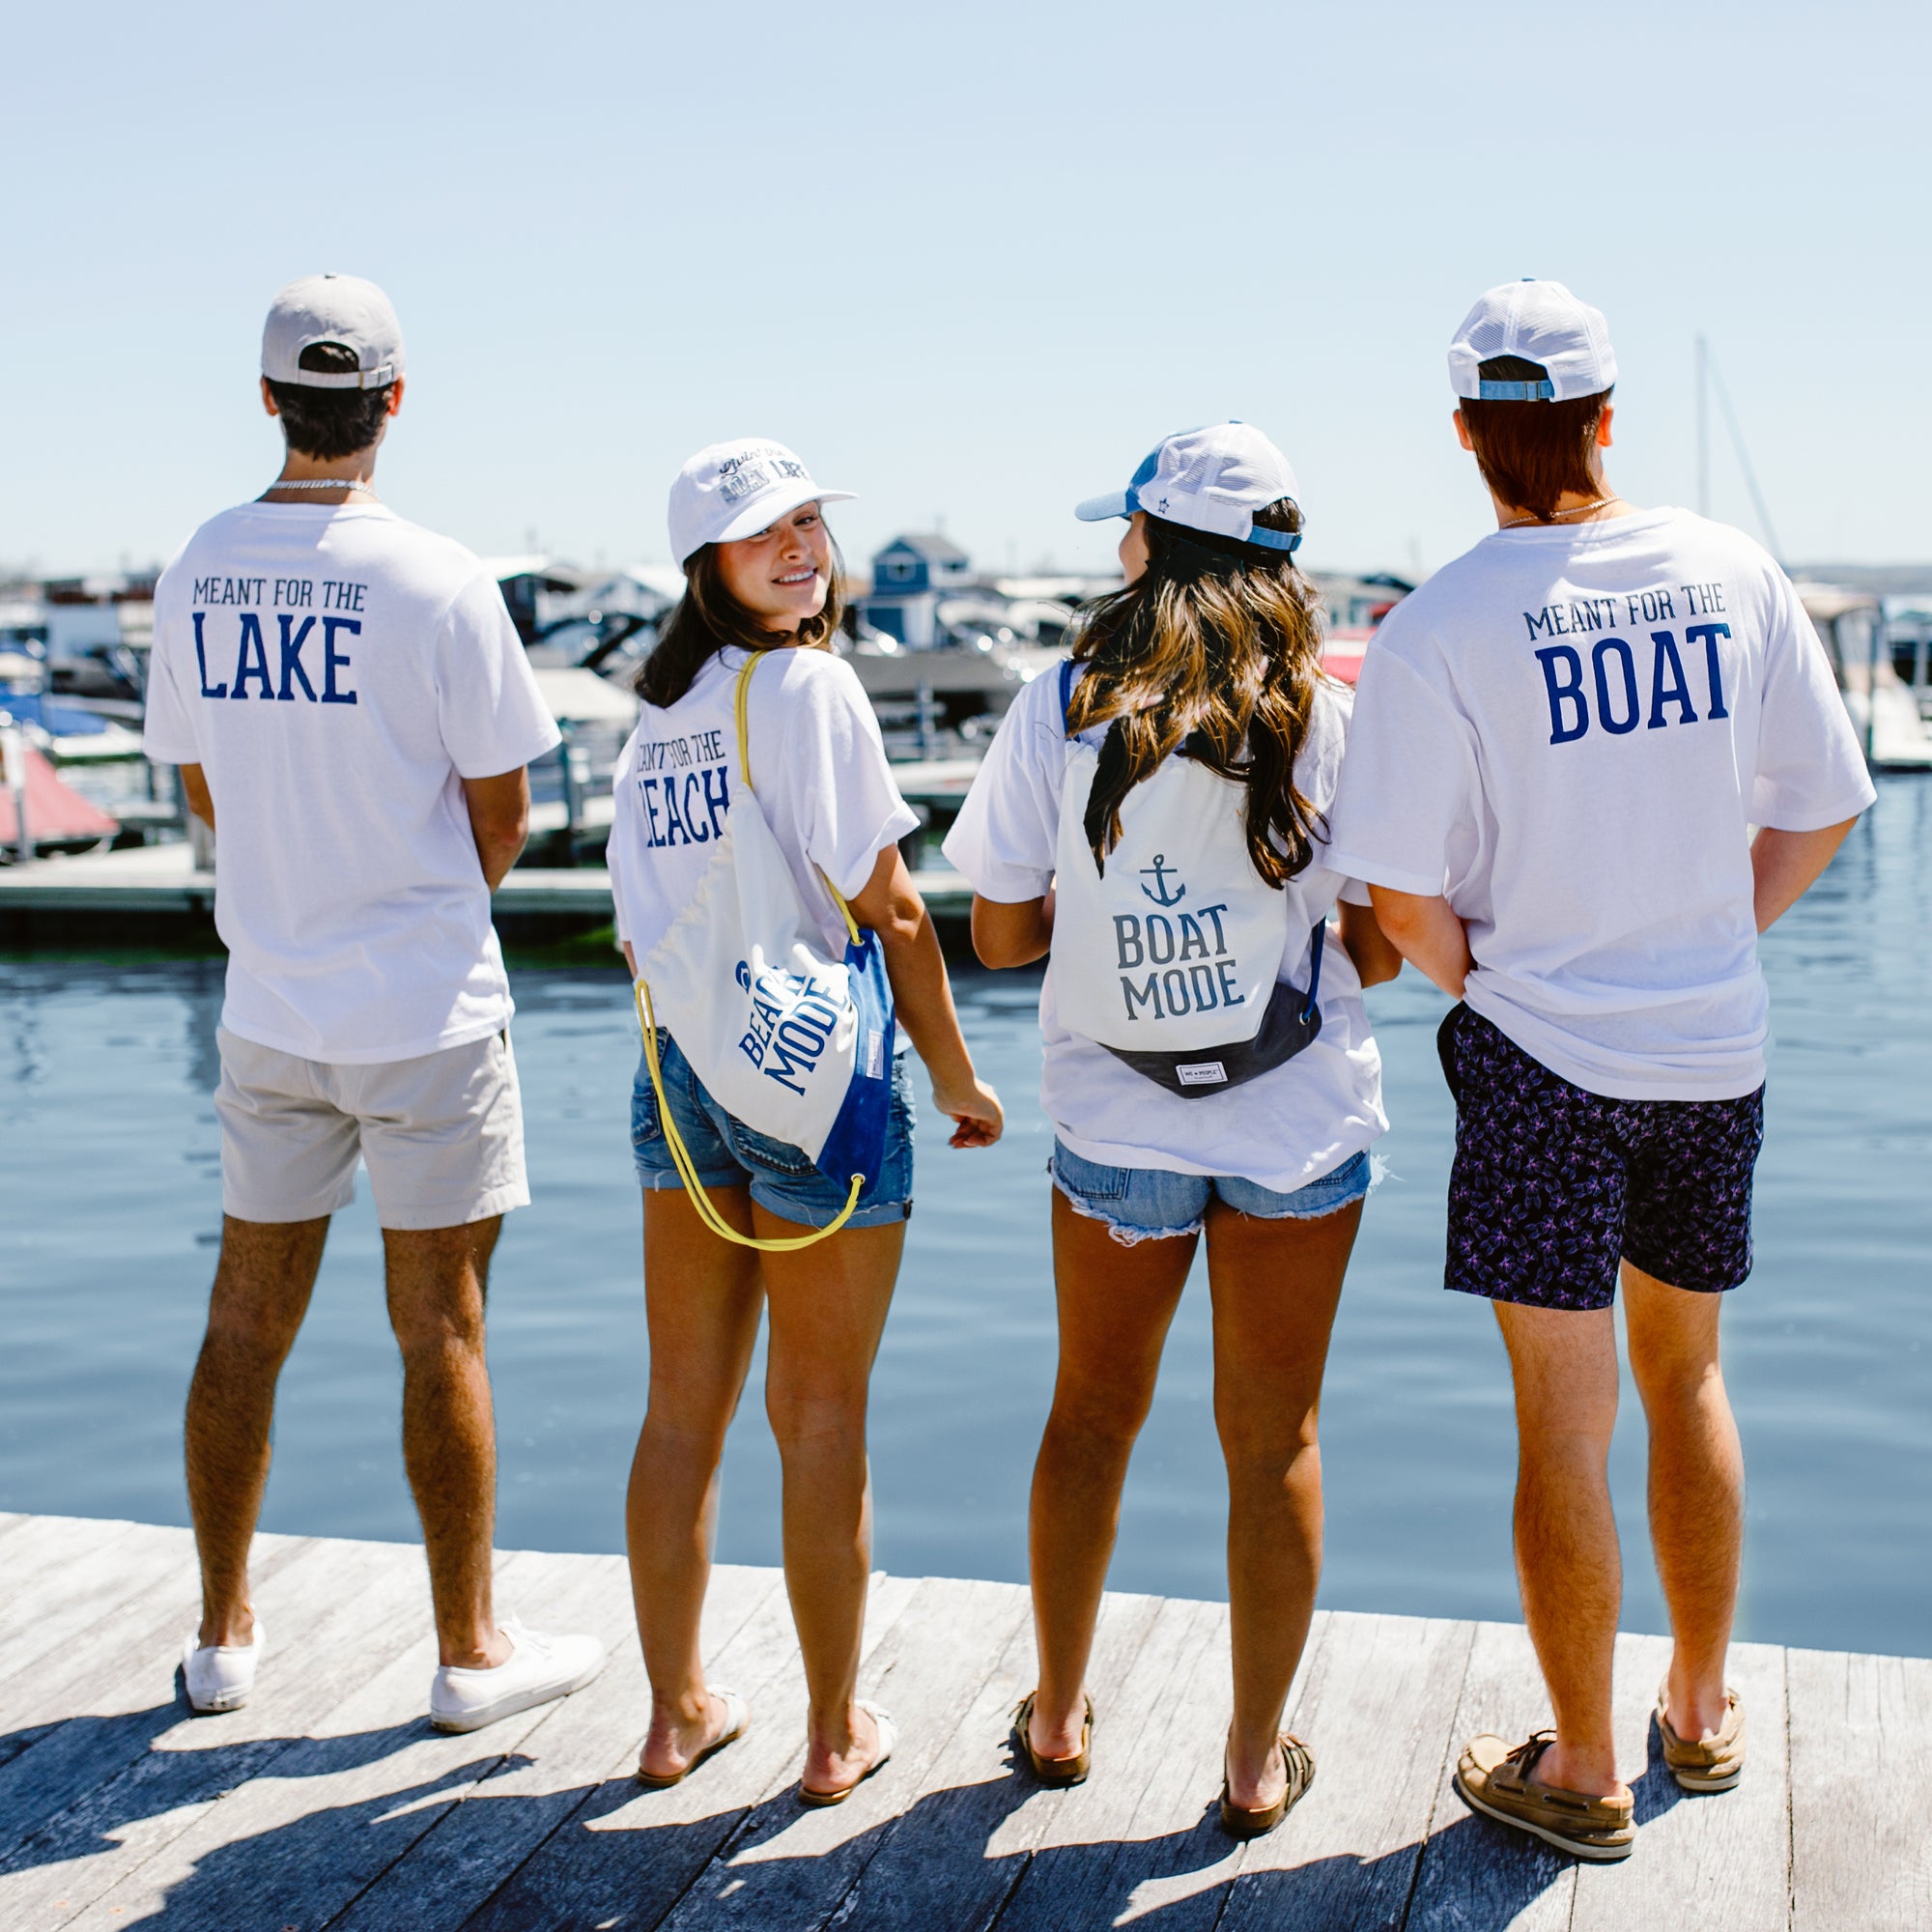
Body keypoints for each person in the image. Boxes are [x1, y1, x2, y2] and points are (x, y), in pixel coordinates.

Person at [1326, 280, 1876, 1861]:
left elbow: (1400, 903)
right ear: (1607, 416)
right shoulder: (1730, 568)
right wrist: (1710, 932)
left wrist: (1502, 983)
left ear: (1464, 432)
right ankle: (1697, 1711)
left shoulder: (1435, 628)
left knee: (1562, 1423)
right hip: (1712, 1050)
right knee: (1688, 1376)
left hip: (1543, 1068)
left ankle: (1581, 1767)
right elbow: (1824, 805)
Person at [144, 273, 606, 1732]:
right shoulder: (441, 579)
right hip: (426, 1015)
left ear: (268, 399)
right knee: (442, 1332)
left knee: (244, 1316)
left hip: (272, 1009)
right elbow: (502, 816)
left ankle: (221, 1640)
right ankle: (470, 1653)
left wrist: (296, 882)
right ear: (395, 402)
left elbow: (201, 786)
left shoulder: (199, 566)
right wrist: (410, 902)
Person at [945, 423, 1402, 1838]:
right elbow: (1382, 953)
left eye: (1128, 525)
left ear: (1159, 543)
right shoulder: (1326, 716)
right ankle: (1255, 1763)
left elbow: (1000, 937)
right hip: (1297, 1119)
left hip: (1116, 1113)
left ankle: (1058, 1716)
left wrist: (1117, 918)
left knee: (1091, 1412)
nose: (1117, 545)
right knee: (1275, 1439)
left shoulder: (1063, 703)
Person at [609, 439, 1003, 1804]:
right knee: (821, 1415)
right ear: (705, 563)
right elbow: (891, 904)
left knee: (681, 1412)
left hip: (682, 1074)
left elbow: (637, 930)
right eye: (761, 531)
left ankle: (676, 1717)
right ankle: (834, 1736)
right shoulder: (810, 684)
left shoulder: (658, 713)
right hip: (811, 1076)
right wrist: (955, 1076)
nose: (798, 548)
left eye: (809, 522)